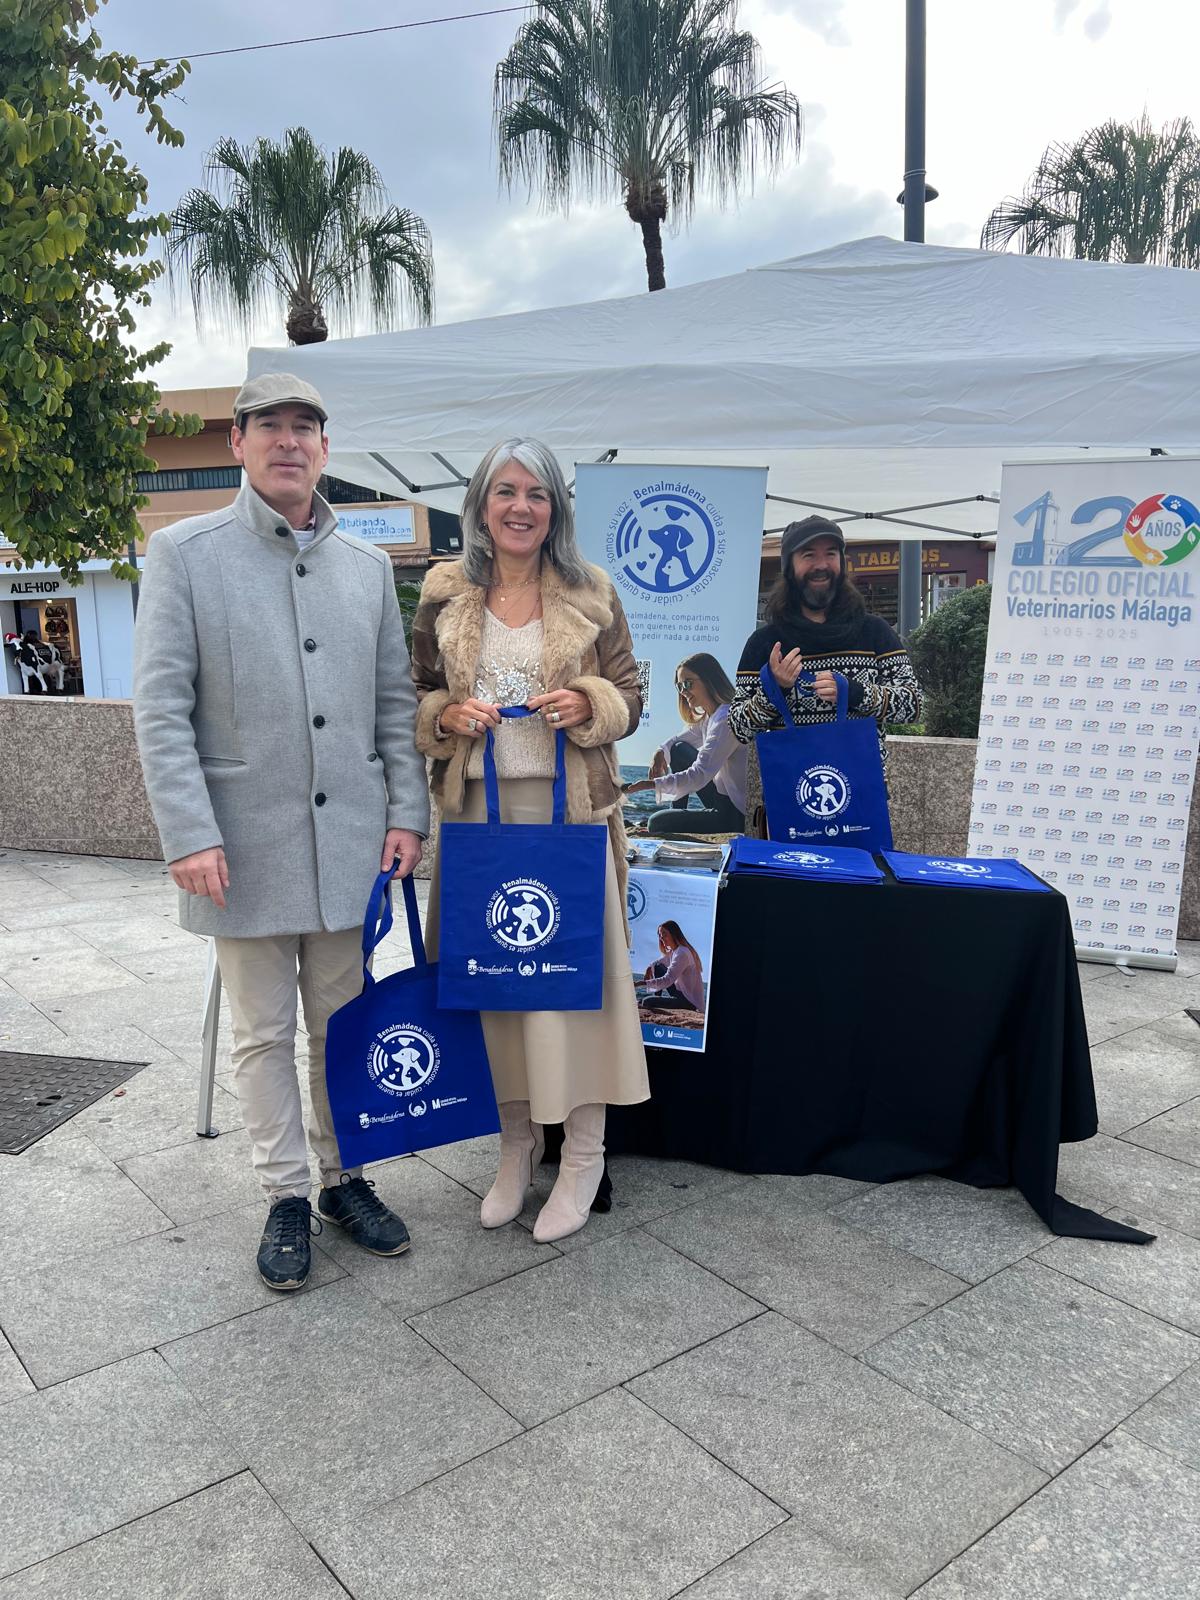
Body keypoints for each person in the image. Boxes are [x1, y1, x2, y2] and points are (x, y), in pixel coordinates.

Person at [133, 373, 429, 1293]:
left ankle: (344, 1179)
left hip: (350, 847)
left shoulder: (369, 567)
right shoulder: (184, 553)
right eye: (270, 426)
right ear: (238, 442)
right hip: (239, 847)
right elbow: (161, 708)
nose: (289, 441)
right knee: (261, 1032)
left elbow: (392, 705)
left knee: (343, 1023)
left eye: (306, 427)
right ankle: (286, 1195)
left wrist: (407, 813)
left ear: (326, 448)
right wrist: (189, 832)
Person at [411, 437, 649, 1243]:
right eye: (506, 491)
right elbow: (417, 692)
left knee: (572, 991)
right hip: (477, 815)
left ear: (556, 509)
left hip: (569, 814)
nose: (521, 507)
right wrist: (446, 715)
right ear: (481, 505)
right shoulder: (444, 591)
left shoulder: (592, 590)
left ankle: (583, 1156)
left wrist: (590, 703)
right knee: (494, 993)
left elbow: (630, 693)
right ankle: (516, 1147)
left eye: (537, 494)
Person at [729, 516, 923, 784]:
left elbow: (913, 705)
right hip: (792, 794)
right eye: (809, 555)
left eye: (831, 554)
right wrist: (775, 690)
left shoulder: (874, 631)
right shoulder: (765, 642)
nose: (821, 565)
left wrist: (855, 693)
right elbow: (739, 728)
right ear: (789, 566)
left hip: (861, 794)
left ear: (842, 562)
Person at [622, 652, 746, 833]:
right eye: (679, 686)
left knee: (656, 823)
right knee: (678, 749)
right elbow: (677, 742)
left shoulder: (725, 719)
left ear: (709, 679)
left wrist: (651, 784)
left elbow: (699, 773)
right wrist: (659, 752)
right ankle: (676, 813)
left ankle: (675, 820)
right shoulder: (709, 718)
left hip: (735, 814)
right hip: (721, 800)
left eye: (688, 684)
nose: (683, 691)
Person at [640, 921, 704, 1012]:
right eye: (660, 935)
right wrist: (649, 968)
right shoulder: (675, 951)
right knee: (658, 966)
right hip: (679, 993)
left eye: (664, 934)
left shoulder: (682, 953)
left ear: (673, 934)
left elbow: (667, 980)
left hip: (688, 1001)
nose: (662, 938)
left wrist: (640, 983)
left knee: (646, 1001)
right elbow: (658, 963)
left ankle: (655, 1001)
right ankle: (656, 998)